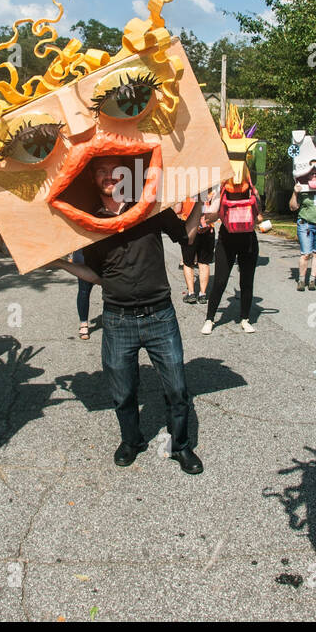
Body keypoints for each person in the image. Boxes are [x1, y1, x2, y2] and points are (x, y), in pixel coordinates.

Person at [51, 157, 205, 474]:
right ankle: (131, 440)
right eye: (101, 171)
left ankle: (180, 446)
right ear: (93, 178)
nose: (109, 176)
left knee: (177, 388)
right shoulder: (89, 221)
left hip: (160, 314)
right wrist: (59, 263)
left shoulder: (150, 206)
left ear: (126, 174)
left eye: (114, 170)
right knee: (122, 392)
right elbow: (95, 274)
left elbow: (185, 235)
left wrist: (200, 201)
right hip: (117, 319)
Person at [201, 178, 264, 334]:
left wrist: (256, 197)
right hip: (227, 240)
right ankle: (209, 319)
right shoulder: (222, 189)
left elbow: (259, 217)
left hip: (248, 239)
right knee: (220, 281)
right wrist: (210, 211)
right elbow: (213, 216)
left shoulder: (251, 190)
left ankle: (245, 318)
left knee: (247, 281)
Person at [179, 199, 214, 305]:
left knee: (188, 263)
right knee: (204, 263)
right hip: (207, 228)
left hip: (189, 228)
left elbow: (177, 210)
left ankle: (191, 293)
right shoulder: (210, 188)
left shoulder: (185, 189)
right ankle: (202, 294)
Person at [73, 247, 96, 340]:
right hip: (84, 253)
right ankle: (83, 323)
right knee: (84, 290)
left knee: (110, 288)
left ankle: (113, 320)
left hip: (106, 252)